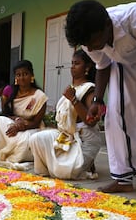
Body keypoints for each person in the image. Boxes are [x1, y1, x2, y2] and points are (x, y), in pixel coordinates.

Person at [65, 0, 136, 192]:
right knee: (115, 116)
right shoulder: (88, 40)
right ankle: (123, 179)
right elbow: (102, 66)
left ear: (107, 26)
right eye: (86, 45)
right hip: (125, 66)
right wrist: (97, 100)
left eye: (93, 43)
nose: (90, 50)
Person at [29, 49, 102, 180]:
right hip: (66, 136)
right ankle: (53, 166)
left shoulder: (90, 88)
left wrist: (74, 99)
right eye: (72, 63)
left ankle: (81, 163)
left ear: (87, 67)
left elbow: (91, 121)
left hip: (84, 139)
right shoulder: (71, 88)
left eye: (77, 63)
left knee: (70, 172)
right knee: (36, 139)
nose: (72, 66)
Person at [0, 60, 48, 170]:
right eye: (18, 75)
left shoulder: (40, 96)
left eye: (25, 74)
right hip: (14, 125)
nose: (22, 78)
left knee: (24, 144)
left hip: (31, 128)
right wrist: (17, 120)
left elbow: (36, 123)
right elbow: (5, 115)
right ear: (15, 78)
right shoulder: (11, 92)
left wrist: (21, 126)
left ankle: (9, 154)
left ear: (31, 75)